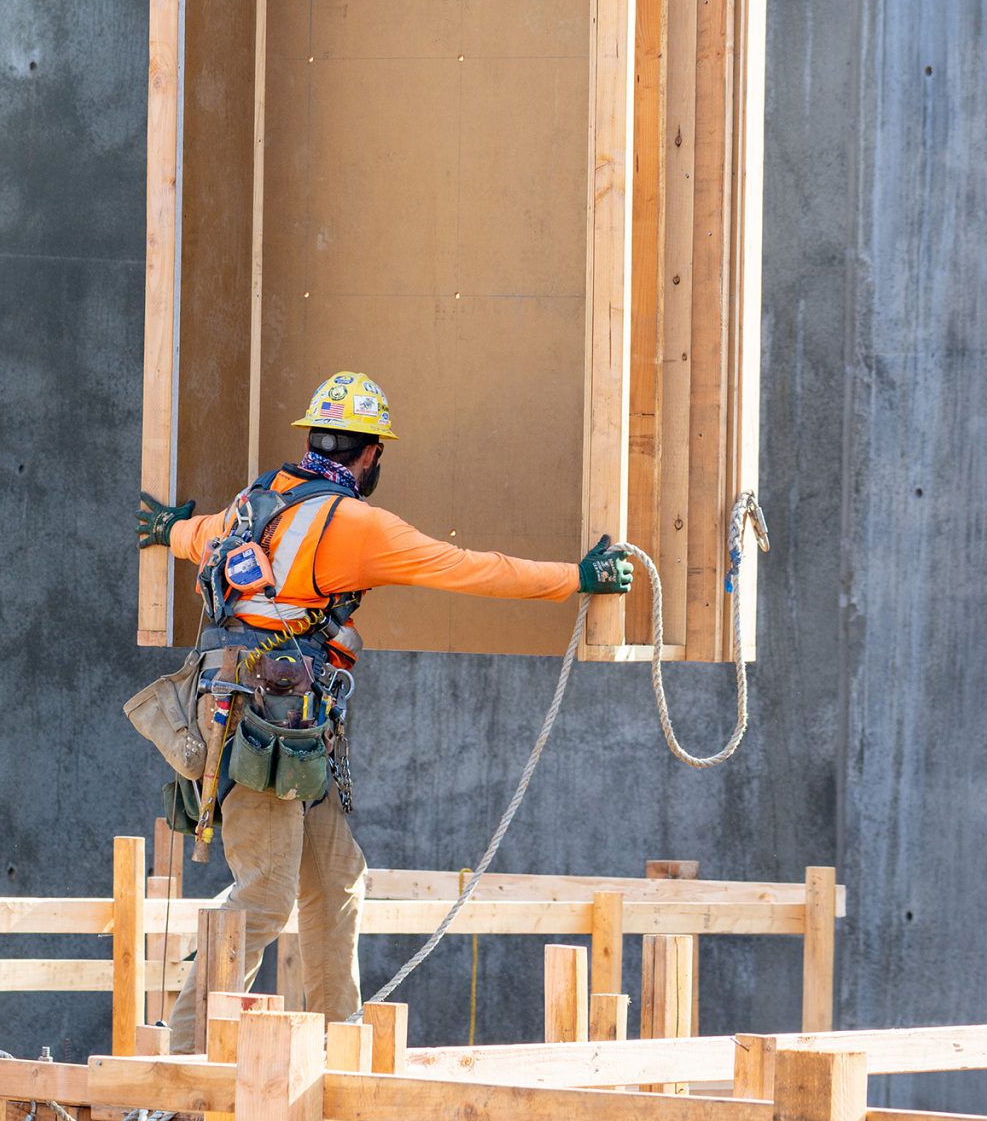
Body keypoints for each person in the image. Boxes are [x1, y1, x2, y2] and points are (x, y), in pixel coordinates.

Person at [136, 372, 632, 1047]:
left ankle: (336, 1045)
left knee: (335, 877)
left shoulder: (260, 500)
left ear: (314, 439)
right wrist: (577, 578)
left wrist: (167, 529)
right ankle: (188, 1057)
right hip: (260, 725)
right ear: (370, 454)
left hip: (270, 719)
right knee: (265, 894)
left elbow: (201, 535)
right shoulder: (354, 526)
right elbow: (469, 568)